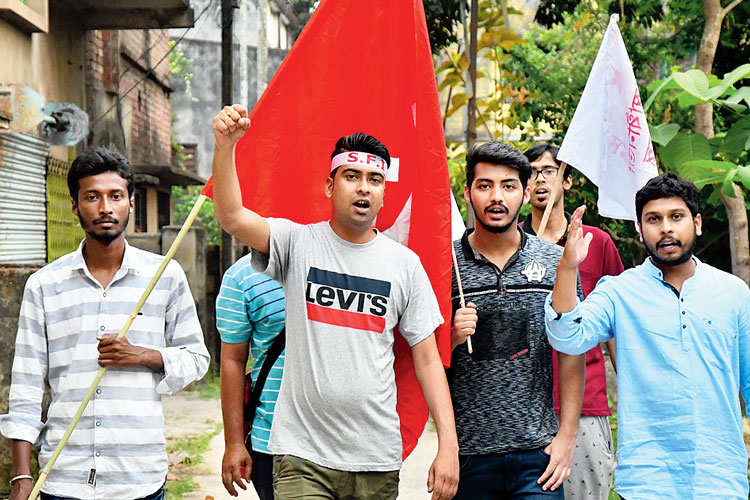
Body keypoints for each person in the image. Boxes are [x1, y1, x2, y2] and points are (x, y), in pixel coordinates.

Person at [211, 104, 459, 500]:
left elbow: (427, 358)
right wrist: (225, 147)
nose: (364, 187)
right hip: (302, 457)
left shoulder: (404, 265)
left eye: (375, 179)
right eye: (352, 176)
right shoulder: (297, 243)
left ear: (383, 192)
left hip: (376, 459)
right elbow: (234, 217)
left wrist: (449, 445)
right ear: (330, 186)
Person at [0, 147, 210, 500]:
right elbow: (26, 386)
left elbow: (197, 358)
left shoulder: (165, 275)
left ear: (131, 202)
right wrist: (21, 474)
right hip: (63, 477)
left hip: (138, 477)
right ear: (74, 205)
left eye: (116, 196)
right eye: (92, 197)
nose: (105, 208)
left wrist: (143, 355)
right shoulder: (44, 284)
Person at [546, 172, 750, 499]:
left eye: (676, 217)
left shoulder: (733, 293)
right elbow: (567, 336)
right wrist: (567, 268)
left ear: (696, 223)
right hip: (646, 480)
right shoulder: (618, 291)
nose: (666, 228)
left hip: (721, 478)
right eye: (654, 219)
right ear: (640, 229)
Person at [448, 141, 585, 499]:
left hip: (536, 459)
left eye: (508, 186)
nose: (497, 197)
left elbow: (572, 351)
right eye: (485, 185)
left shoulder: (557, 261)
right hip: (467, 457)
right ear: (468, 192)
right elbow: (425, 356)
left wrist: (566, 437)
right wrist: (450, 338)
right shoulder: (445, 265)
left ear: (525, 193)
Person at [521, 143, 623, 500]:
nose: (540, 179)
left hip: (586, 405)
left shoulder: (598, 243)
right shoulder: (510, 245)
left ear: (566, 181)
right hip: (524, 408)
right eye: (531, 172)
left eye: (549, 171)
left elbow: (616, 329)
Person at [217, 253, 285, 499]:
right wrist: (234, 443)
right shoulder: (241, 276)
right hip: (274, 439)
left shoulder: (345, 266)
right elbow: (232, 360)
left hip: (347, 437)